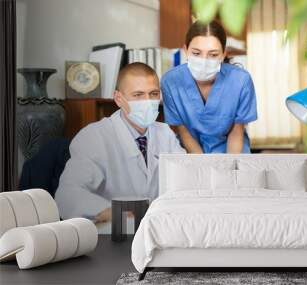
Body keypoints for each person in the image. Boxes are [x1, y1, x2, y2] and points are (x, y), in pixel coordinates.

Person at [55, 63, 185, 223]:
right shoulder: (95, 136)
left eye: (153, 93)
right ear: (118, 99)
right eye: (138, 95)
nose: (148, 101)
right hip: (114, 232)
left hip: (157, 227)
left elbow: (184, 180)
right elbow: (68, 194)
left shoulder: (165, 133)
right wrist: (116, 213)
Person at [161, 20, 258, 154]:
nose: (204, 61)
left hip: (231, 150)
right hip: (190, 151)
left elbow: (236, 132)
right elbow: (184, 132)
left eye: (213, 55)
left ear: (224, 54)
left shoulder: (240, 81)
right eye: (196, 53)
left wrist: (229, 167)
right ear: (185, 50)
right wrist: (203, 166)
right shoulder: (171, 82)